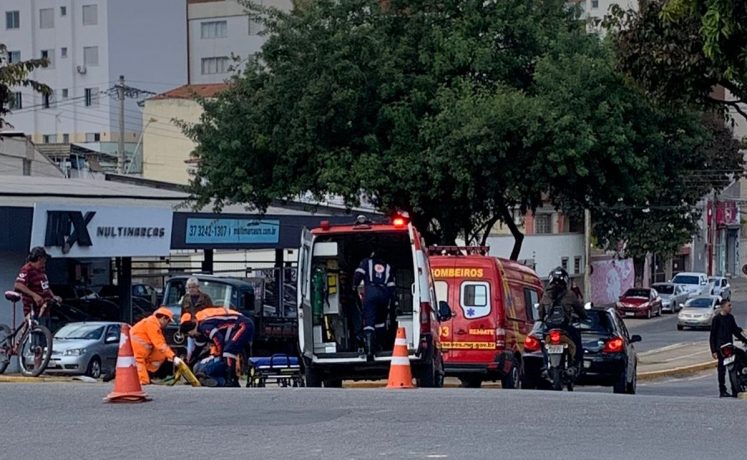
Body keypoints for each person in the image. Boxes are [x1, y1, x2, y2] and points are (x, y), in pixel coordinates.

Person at [180, 307, 254, 387]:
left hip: (243, 325)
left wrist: (219, 355)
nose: (191, 337)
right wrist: (188, 365)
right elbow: (197, 351)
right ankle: (221, 380)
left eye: (189, 335)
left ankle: (232, 380)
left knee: (228, 351)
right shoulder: (200, 333)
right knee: (225, 354)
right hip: (237, 326)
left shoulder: (204, 326)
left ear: (190, 331)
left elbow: (218, 338)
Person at [538, 267, 587, 374]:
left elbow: (540, 313)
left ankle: (546, 364)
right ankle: (576, 362)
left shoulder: (545, 295)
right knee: (577, 340)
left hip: (550, 328)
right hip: (565, 328)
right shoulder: (570, 294)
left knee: (543, 343)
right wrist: (583, 316)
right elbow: (581, 311)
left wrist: (542, 319)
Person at [353, 250, 397, 357]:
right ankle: (380, 345)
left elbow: (358, 274)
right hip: (384, 294)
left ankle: (369, 351)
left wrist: (354, 285)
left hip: (370, 292)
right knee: (380, 322)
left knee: (369, 321)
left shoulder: (366, 262)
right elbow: (391, 286)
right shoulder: (388, 267)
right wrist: (394, 302)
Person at [130, 307, 182, 385]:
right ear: (164, 318)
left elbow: (161, 344)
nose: (167, 324)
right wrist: (173, 357)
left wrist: (171, 355)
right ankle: (142, 379)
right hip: (138, 350)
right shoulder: (152, 324)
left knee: (159, 355)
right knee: (143, 376)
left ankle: (146, 376)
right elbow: (160, 344)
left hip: (141, 349)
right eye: (168, 322)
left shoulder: (152, 323)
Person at [14, 247, 61, 331]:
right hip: (32, 306)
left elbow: (46, 287)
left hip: (44, 308)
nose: (45, 262)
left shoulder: (41, 270)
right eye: (44, 259)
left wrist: (53, 296)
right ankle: (19, 341)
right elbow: (18, 285)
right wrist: (34, 295)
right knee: (34, 331)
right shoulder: (27, 269)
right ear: (39, 258)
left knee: (45, 332)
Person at [709, 299, 747, 397]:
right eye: (729, 305)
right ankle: (722, 390)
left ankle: (735, 389)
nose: (731, 307)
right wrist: (713, 351)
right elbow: (712, 335)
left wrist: (745, 340)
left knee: (739, 359)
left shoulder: (730, 318)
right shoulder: (716, 319)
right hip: (721, 349)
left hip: (730, 346)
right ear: (723, 307)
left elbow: (735, 331)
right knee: (721, 370)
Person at [179, 277, 213, 362]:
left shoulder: (206, 298)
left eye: (193, 287)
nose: (191, 289)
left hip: (202, 331)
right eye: (189, 287)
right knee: (190, 352)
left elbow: (211, 314)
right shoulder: (185, 299)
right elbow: (183, 315)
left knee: (203, 353)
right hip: (190, 332)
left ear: (198, 287)